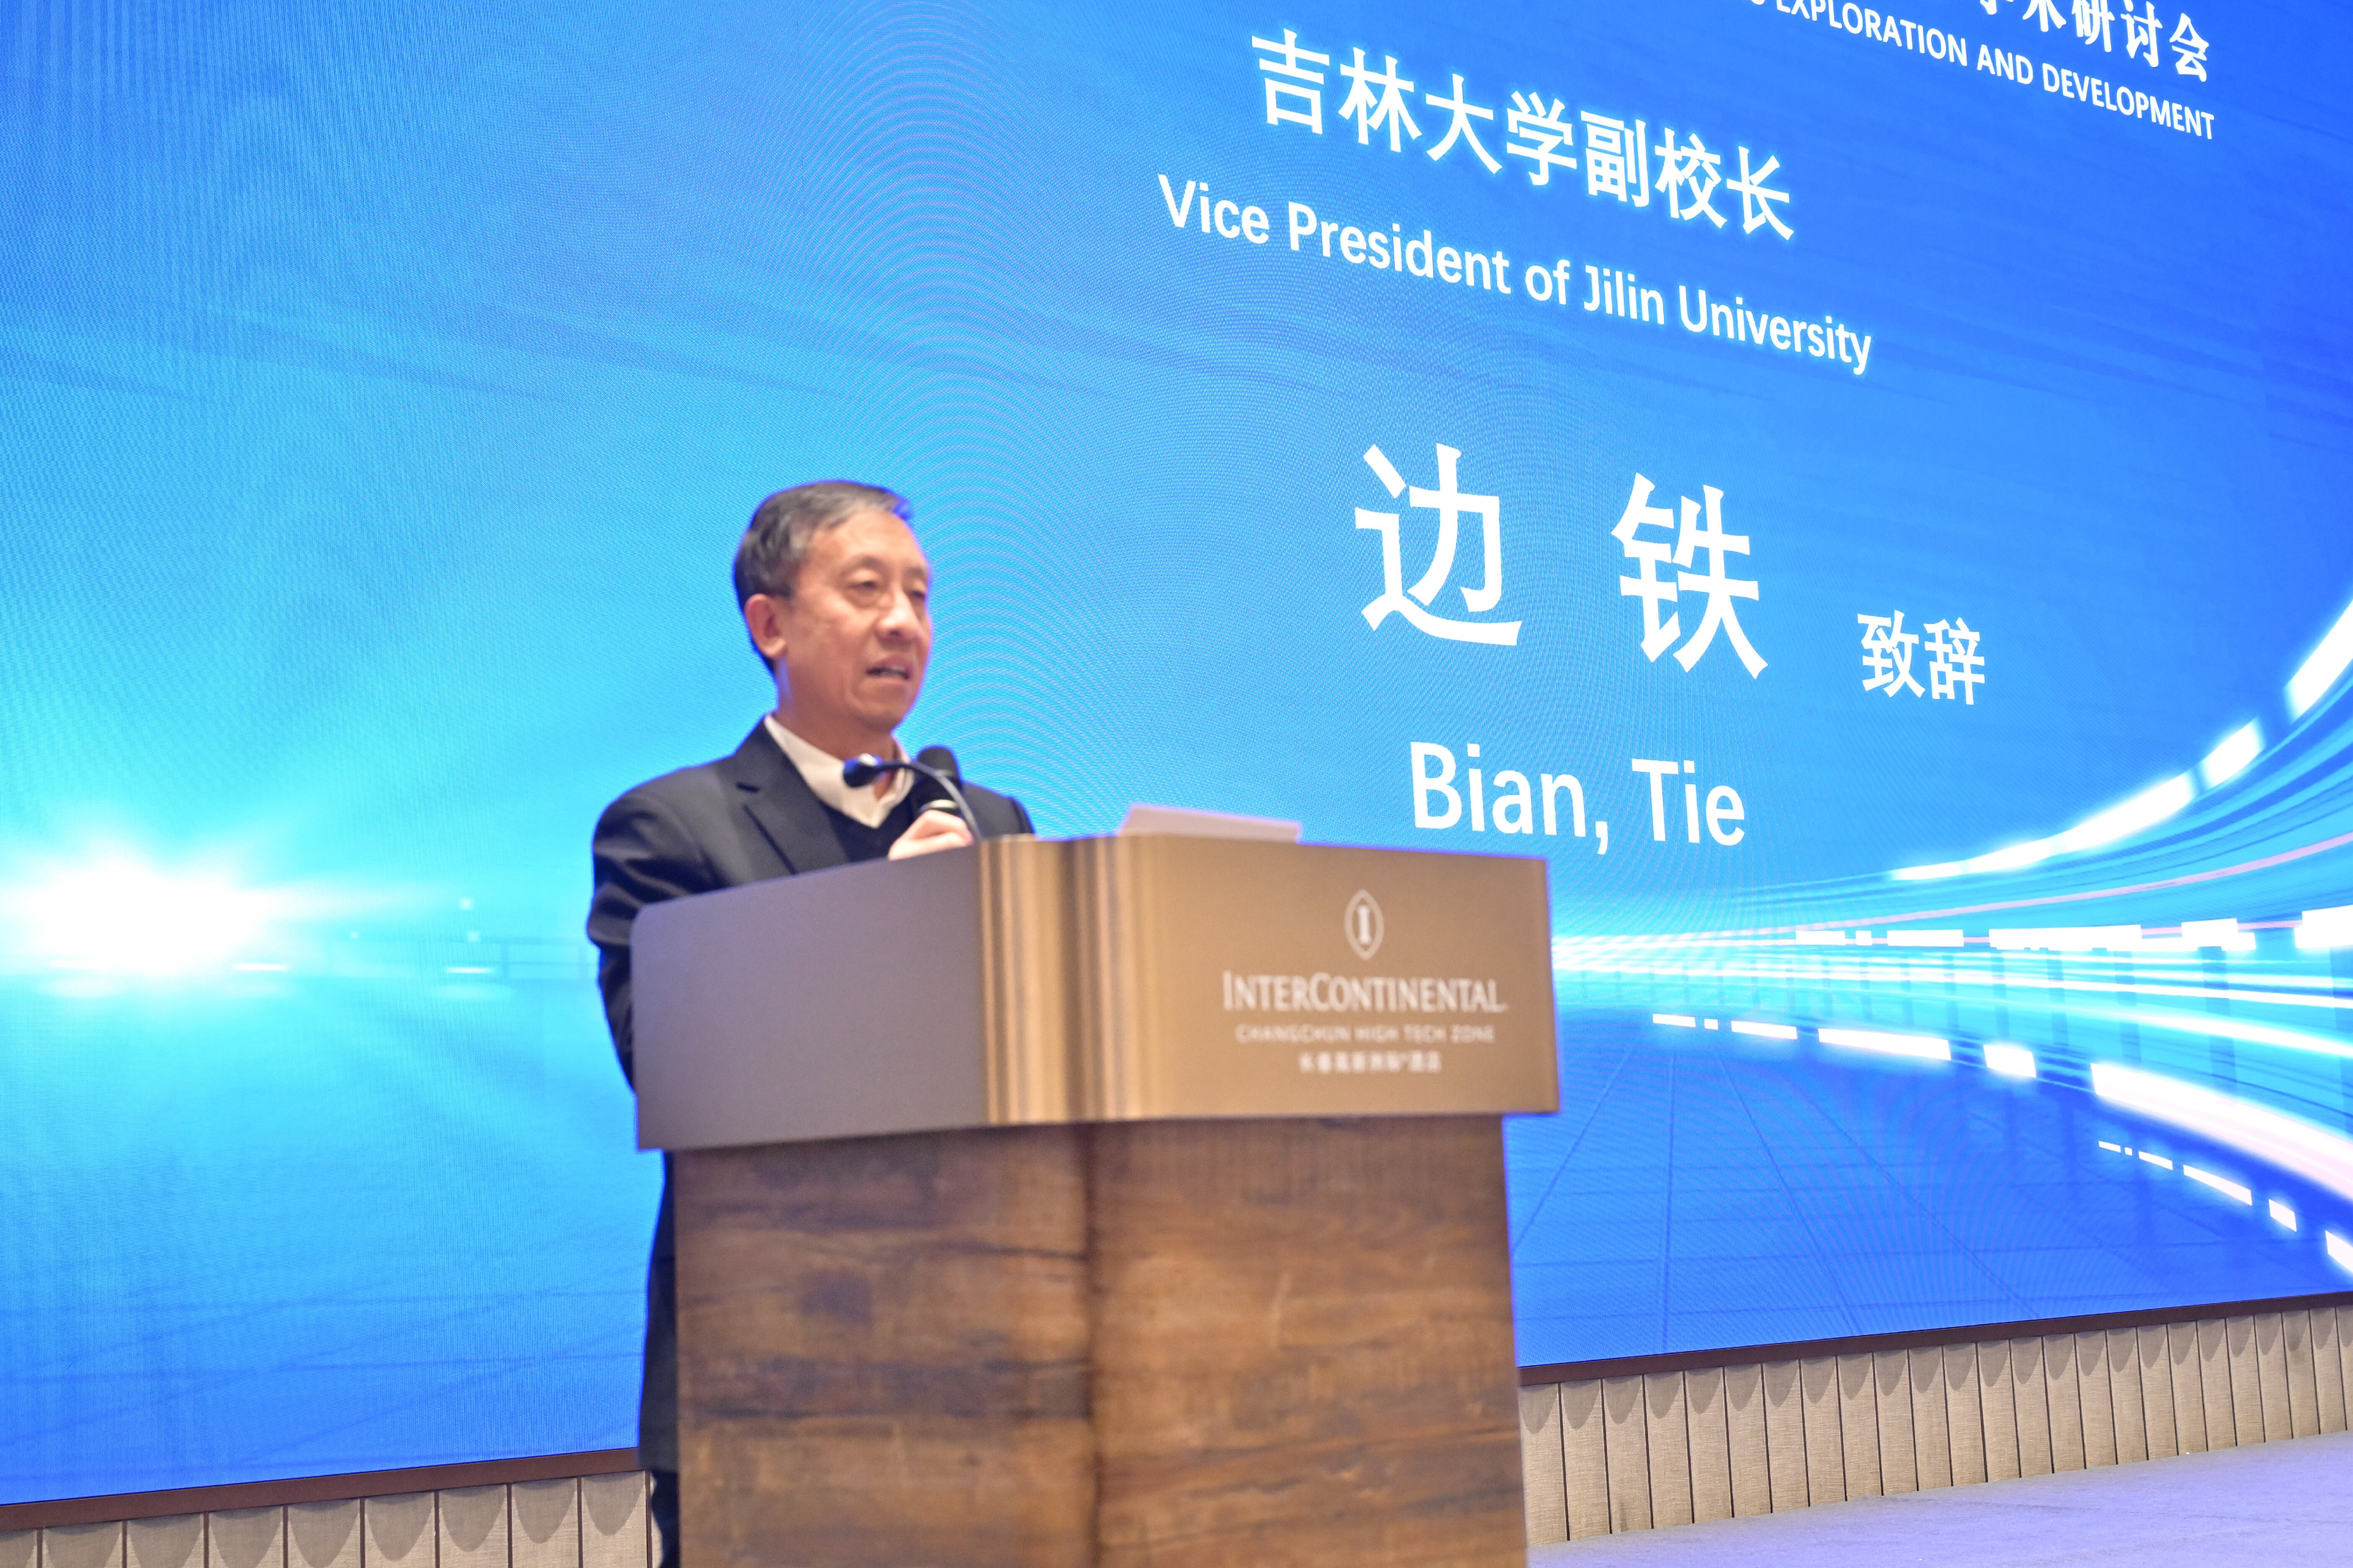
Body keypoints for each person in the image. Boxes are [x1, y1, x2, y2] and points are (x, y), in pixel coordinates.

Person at [585, 481, 1034, 1567]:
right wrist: (883, 917)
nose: (904, 623)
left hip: (992, 1358)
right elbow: (676, 1070)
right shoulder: (671, 828)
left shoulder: (990, 823)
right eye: (867, 590)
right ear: (771, 624)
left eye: (920, 595)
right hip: (769, 1374)